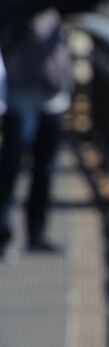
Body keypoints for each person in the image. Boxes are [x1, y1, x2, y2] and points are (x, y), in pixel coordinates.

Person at [0, 3, 85, 257]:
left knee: (46, 167)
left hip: (51, 93)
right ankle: (2, 236)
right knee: (11, 168)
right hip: (19, 93)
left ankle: (37, 233)